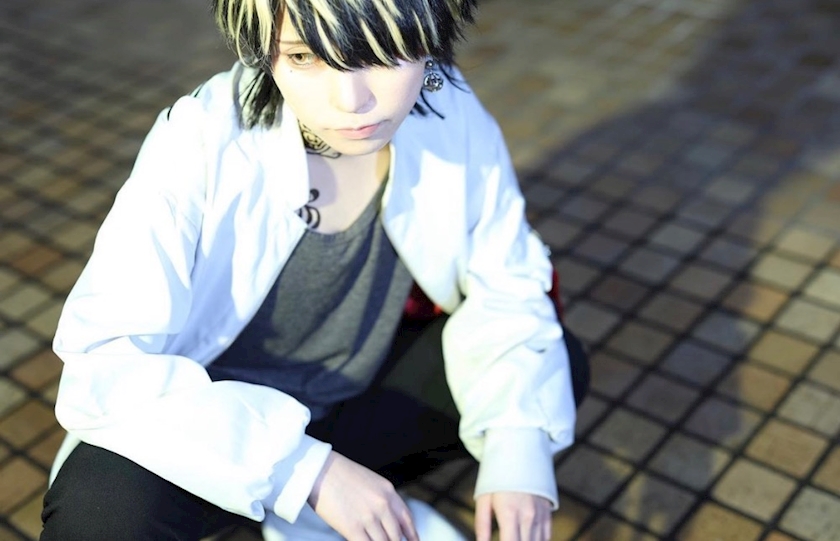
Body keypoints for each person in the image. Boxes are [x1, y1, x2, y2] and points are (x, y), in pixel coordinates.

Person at [40, 0, 590, 539]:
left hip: (353, 401)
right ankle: (317, 501)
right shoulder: (201, 140)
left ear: (430, 37)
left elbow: (507, 277)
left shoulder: (449, 108)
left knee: (554, 368)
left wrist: (517, 448)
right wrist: (304, 470)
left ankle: (335, 503)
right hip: (213, 430)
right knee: (101, 507)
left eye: (384, 51)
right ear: (263, 51)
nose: (352, 100)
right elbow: (103, 362)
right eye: (304, 56)